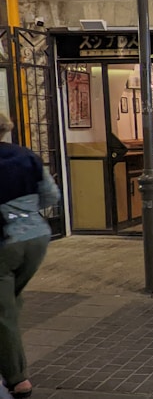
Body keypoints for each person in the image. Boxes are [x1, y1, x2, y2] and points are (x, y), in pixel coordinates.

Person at [0, 113, 61, 399]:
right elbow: (51, 196)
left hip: (4, 241)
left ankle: (17, 378)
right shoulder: (27, 156)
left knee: (4, 312)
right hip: (36, 237)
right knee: (10, 300)